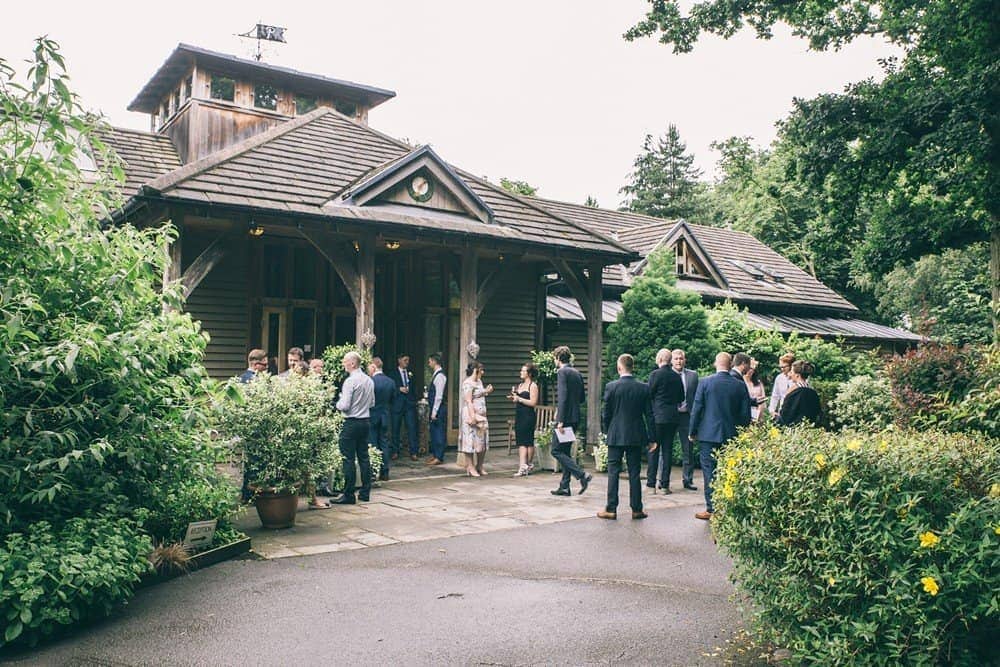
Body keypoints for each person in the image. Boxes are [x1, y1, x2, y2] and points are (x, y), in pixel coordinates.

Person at [689, 352, 752, 520]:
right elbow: (745, 414)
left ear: (716, 364)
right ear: (731, 364)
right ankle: (727, 506)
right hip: (731, 434)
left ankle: (712, 508)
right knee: (729, 470)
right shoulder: (739, 385)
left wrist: (692, 431)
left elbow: (697, 409)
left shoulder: (705, 382)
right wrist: (742, 432)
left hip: (708, 435)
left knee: (710, 471)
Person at [598, 354, 657, 521]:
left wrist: (606, 431)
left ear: (619, 368)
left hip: (616, 434)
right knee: (634, 472)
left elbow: (606, 413)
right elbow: (649, 415)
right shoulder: (643, 387)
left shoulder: (611, 386)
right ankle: (637, 509)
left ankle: (611, 508)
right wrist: (652, 438)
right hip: (636, 434)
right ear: (633, 367)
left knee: (613, 472)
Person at [333, 351, 375, 505]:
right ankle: (365, 492)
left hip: (351, 422)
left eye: (345, 361)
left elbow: (344, 405)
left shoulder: (350, 381)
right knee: (364, 457)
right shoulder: (369, 380)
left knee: (348, 458)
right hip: (365, 421)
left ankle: (349, 494)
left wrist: (337, 402)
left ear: (352, 363)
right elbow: (372, 403)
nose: (343, 364)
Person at [550, 346, 592, 497]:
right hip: (575, 417)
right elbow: (581, 398)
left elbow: (563, 397)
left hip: (565, 418)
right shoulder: (576, 372)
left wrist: (560, 420)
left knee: (555, 450)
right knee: (565, 451)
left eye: (555, 358)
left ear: (558, 358)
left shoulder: (562, 372)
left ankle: (582, 475)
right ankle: (565, 487)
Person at [646, 348, 684, 494]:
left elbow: (649, 394)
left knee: (654, 449)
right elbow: (681, 397)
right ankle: (665, 485)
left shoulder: (655, 375)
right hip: (673, 417)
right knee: (667, 451)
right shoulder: (676, 377)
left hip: (658, 417)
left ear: (660, 359)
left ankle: (651, 485)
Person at [672, 349, 700, 491]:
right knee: (665, 449)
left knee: (688, 448)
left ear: (685, 360)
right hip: (671, 416)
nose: (678, 361)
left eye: (681, 358)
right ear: (671, 360)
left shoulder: (693, 375)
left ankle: (688, 480)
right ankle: (662, 480)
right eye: (676, 358)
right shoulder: (667, 375)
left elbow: (696, 397)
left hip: (686, 416)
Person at [459, 361, 493, 477]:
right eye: (481, 370)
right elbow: (468, 400)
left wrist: (486, 391)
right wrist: (473, 416)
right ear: (475, 370)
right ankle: (470, 466)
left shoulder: (479, 381)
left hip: (481, 414)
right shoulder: (467, 383)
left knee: (482, 440)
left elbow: (478, 394)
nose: (482, 372)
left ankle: (480, 465)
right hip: (471, 413)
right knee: (470, 440)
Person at [510, 362, 540, 477]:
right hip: (520, 414)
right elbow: (517, 399)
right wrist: (514, 398)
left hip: (528, 416)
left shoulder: (533, 386)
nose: (521, 372)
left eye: (523, 371)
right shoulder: (520, 385)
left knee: (527, 441)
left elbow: (533, 402)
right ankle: (524, 466)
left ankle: (525, 465)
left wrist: (519, 399)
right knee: (521, 440)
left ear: (529, 373)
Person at [369, 356, 396, 481]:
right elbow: (393, 399)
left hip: (372, 415)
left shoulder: (370, 381)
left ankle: (374, 471)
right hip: (385, 415)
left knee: (373, 443)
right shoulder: (390, 381)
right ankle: (385, 472)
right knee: (384, 443)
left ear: (374, 367)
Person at [388, 354, 420, 461]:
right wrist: (399, 389)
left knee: (412, 428)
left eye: (408, 360)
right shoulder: (393, 374)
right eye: (405, 360)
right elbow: (390, 388)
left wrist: (414, 399)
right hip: (397, 404)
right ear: (399, 360)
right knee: (395, 429)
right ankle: (395, 451)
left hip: (409, 405)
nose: (407, 362)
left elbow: (415, 387)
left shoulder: (411, 373)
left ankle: (413, 452)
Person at [777, 360, 822, 426]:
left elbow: (785, 415)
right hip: (809, 428)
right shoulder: (812, 391)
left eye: (791, 372)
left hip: (793, 430)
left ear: (797, 375)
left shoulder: (793, 391)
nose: (789, 374)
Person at [426, 353, 448, 466]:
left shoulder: (440, 376)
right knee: (434, 432)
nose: (429, 363)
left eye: (430, 361)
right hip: (435, 407)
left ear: (435, 361)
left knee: (439, 432)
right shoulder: (436, 374)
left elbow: (439, 396)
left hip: (439, 409)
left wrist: (434, 412)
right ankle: (435, 454)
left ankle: (439, 456)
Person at [769, 353, 796, 419]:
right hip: (782, 411)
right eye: (781, 367)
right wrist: (772, 410)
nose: (782, 369)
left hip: (795, 410)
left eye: (784, 367)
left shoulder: (798, 378)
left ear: (791, 366)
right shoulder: (779, 378)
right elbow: (775, 395)